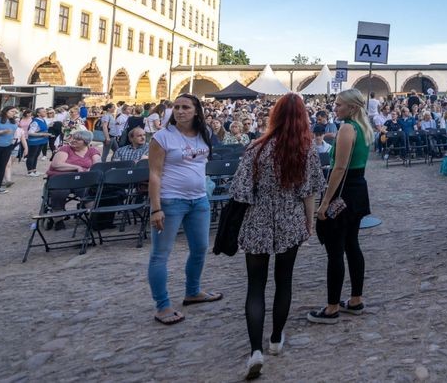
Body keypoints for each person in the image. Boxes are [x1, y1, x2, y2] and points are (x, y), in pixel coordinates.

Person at [231, 94, 324, 379]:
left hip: (258, 220)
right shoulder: (305, 150)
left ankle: (255, 351)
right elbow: (309, 191)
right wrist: (309, 221)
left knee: (255, 287)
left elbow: (240, 192)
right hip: (289, 220)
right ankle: (275, 339)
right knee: (284, 282)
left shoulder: (256, 148)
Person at [148, 94, 220, 326]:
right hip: (170, 202)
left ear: (196, 111)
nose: (180, 111)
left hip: (198, 200)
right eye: (177, 107)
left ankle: (193, 291)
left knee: (200, 248)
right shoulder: (162, 137)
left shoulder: (204, 134)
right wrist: (155, 208)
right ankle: (162, 305)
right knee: (161, 254)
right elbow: (154, 174)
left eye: (185, 107)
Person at [310, 88, 373, 323]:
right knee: (352, 244)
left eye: (339, 105)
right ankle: (355, 299)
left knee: (336, 250)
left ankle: (332, 307)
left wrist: (325, 201)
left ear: (352, 107)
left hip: (344, 191)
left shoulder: (348, 128)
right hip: (358, 189)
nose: (334, 108)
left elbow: (339, 167)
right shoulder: (364, 128)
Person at [46, 130, 102, 221]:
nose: (74, 140)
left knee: (88, 192)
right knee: (59, 193)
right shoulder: (65, 149)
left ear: (86, 142)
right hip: (61, 179)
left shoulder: (92, 151)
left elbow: (97, 165)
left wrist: (90, 169)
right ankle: (58, 220)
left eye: (78, 139)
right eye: (74, 138)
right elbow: (56, 164)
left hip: (81, 179)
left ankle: (94, 219)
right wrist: (76, 167)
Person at [24, 108, 50, 177]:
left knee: (36, 156)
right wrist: (42, 134)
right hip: (34, 141)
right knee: (31, 156)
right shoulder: (35, 121)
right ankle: (30, 171)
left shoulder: (43, 120)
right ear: (38, 114)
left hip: (40, 141)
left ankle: (34, 170)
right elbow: (30, 133)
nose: (45, 112)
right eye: (43, 111)